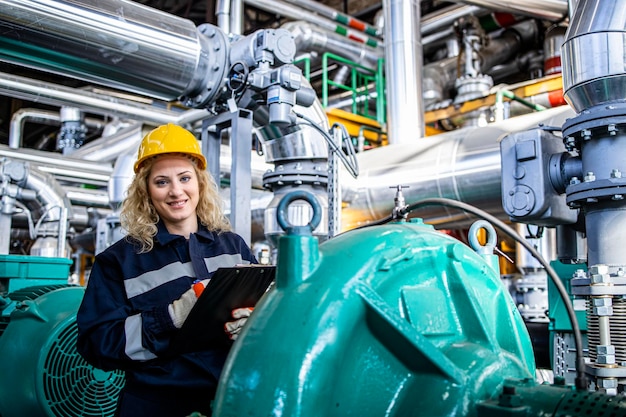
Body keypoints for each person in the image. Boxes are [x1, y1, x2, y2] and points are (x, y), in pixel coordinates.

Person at [76, 123, 258, 417]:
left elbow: (262, 306)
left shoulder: (232, 246)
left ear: (199, 183)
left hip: (231, 399)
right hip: (156, 404)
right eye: (162, 182)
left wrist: (253, 324)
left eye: (184, 178)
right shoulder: (119, 261)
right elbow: (97, 344)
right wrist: (169, 318)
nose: (176, 191)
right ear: (146, 191)